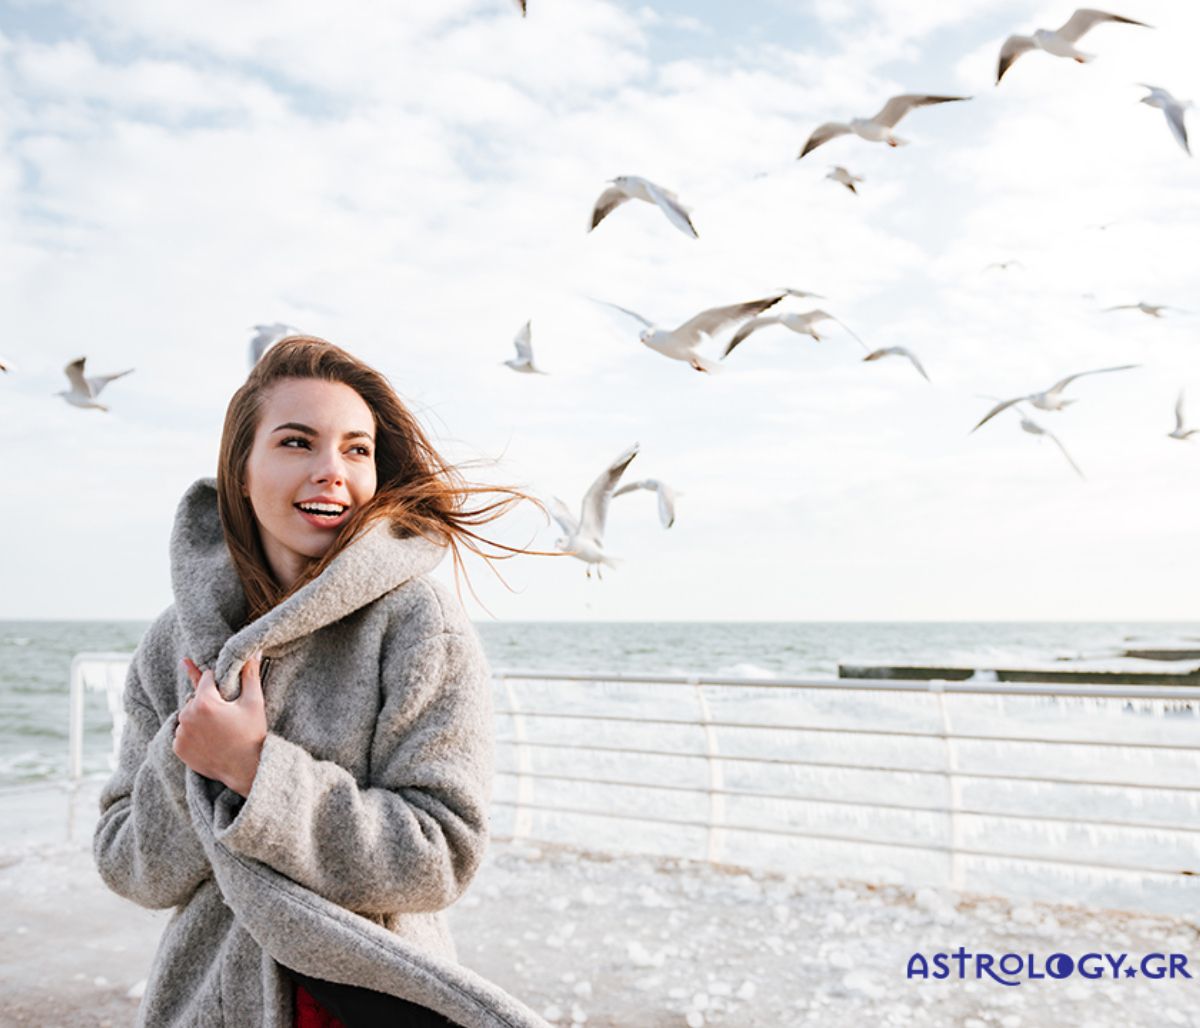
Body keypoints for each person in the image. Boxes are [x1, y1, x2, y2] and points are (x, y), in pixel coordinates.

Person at [93, 336, 549, 1028]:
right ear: (241, 471)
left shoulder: (417, 622)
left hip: (364, 1002)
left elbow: (441, 856)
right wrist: (187, 757)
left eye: (357, 449)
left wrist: (254, 769)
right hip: (207, 1005)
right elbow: (130, 866)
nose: (333, 471)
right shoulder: (172, 642)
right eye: (298, 443)